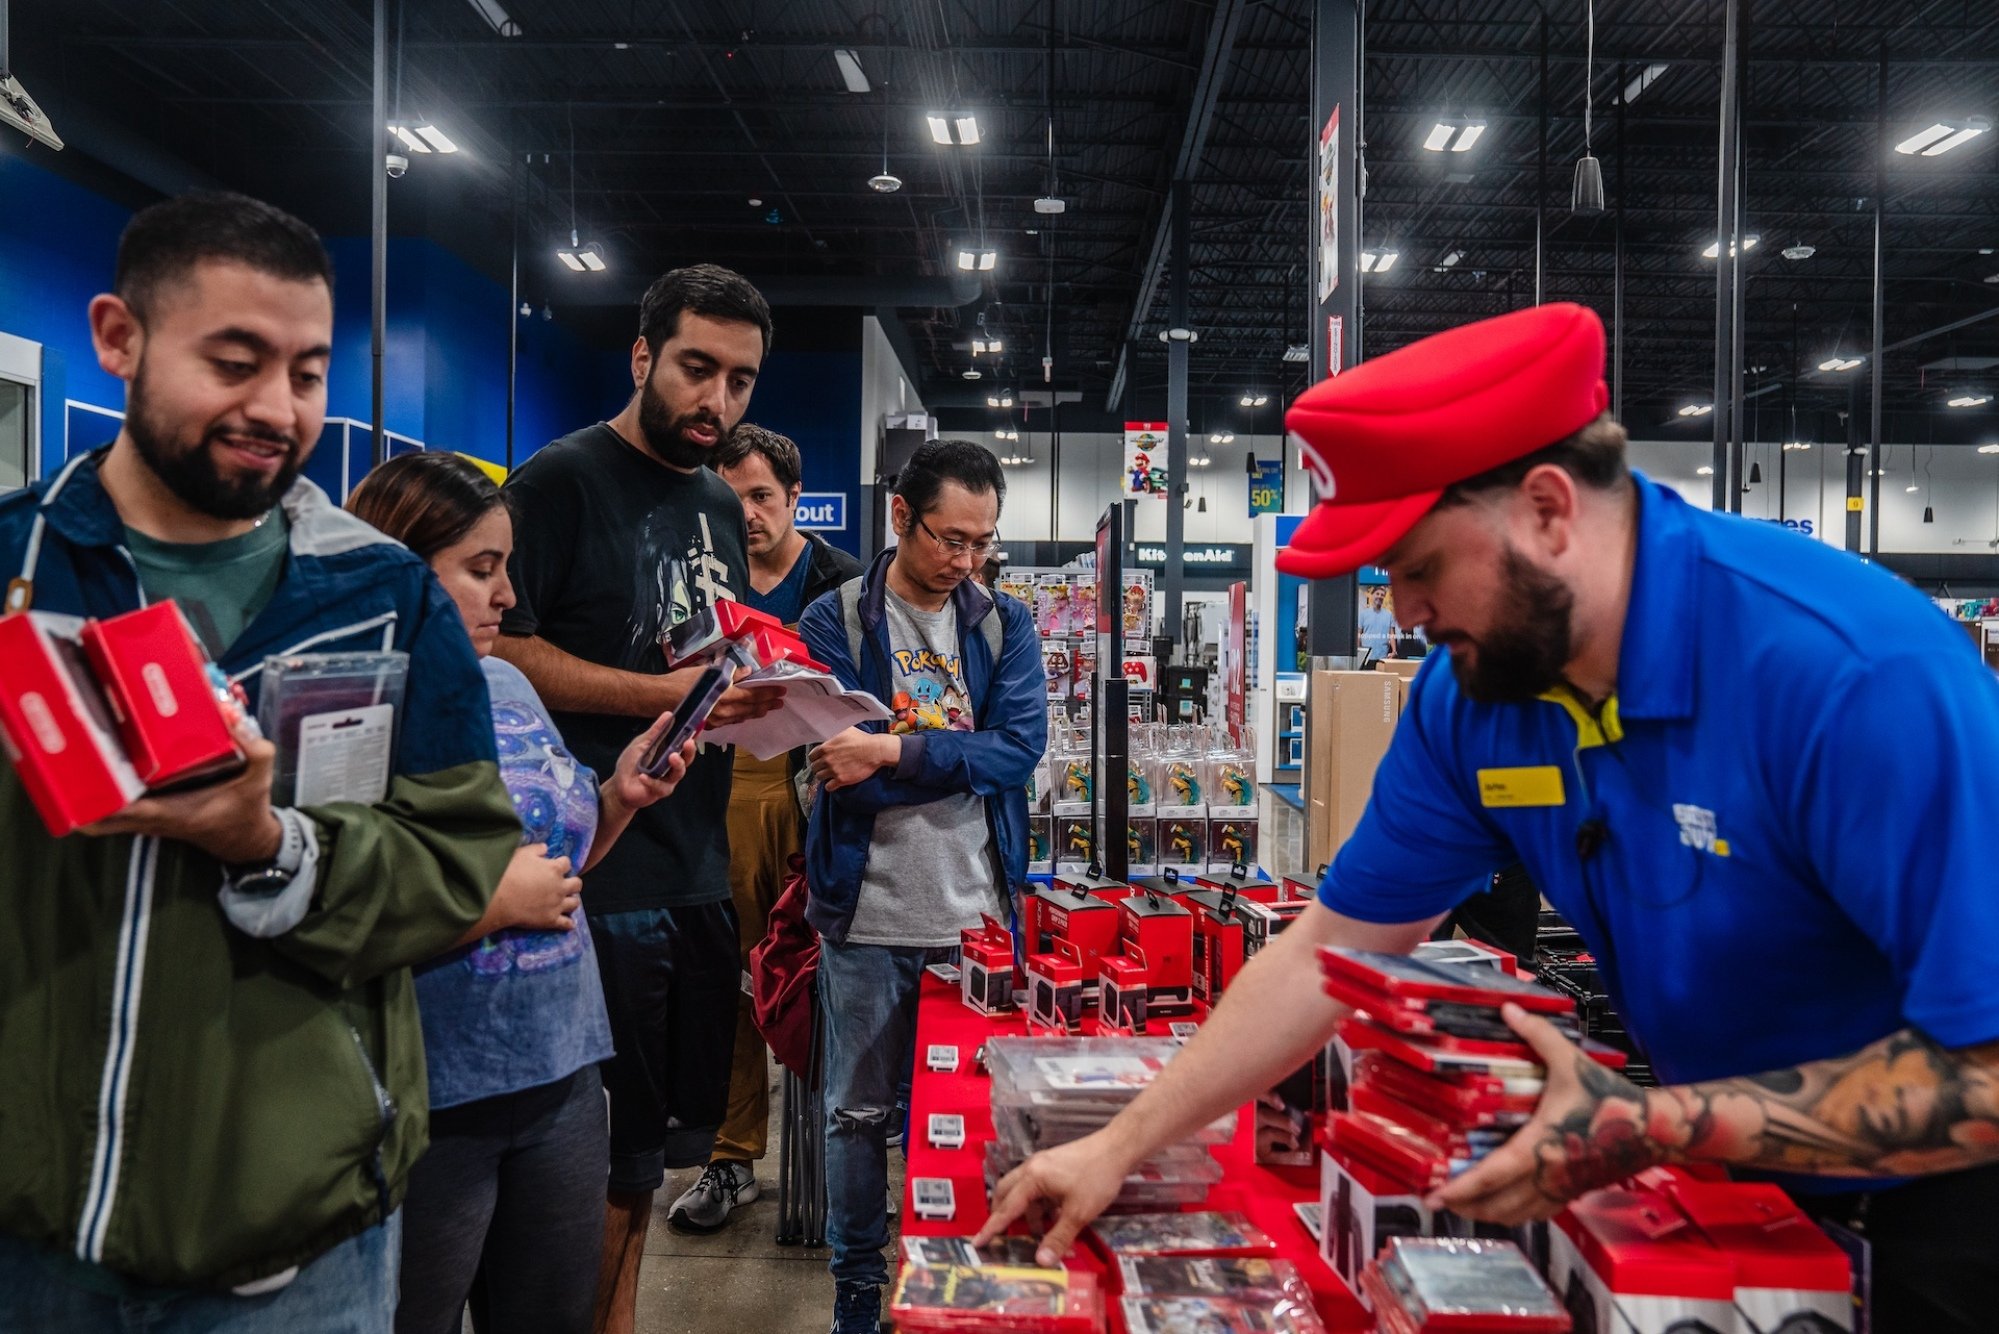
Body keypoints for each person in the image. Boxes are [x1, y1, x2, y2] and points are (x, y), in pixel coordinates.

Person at [980, 303, 1999, 1334]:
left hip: (1931, 1216)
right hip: (1707, 1197)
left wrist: (1654, 1120)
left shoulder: (1855, 677)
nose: (1402, 611)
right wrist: (1118, 1142)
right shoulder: (1471, 697)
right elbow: (1326, 949)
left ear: (1549, 508)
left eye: (1418, 566)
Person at [0, 191, 519, 1330]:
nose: (276, 409)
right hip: (28, 1224)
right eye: (235, 362)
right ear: (118, 337)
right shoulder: (17, 563)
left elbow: (462, 858)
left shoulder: (384, 594)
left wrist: (268, 840)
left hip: (295, 1236)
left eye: (308, 371)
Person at [345, 453, 698, 1334]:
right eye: (480, 569)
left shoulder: (505, 682)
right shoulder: (350, 710)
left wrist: (619, 795)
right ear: (399, 564)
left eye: (505, 567)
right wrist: (492, 905)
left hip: (563, 1071)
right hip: (433, 1091)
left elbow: (561, 869)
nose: (505, 596)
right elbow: (332, 904)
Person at [492, 263, 778, 1334]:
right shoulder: (558, 482)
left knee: (649, 1161)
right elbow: (509, 649)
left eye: (741, 380)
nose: (718, 400)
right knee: (591, 1169)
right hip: (592, 869)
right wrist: (669, 695)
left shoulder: (714, 498)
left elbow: (705, 653)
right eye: (698, 368)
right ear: (643, 354)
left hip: (693, 856)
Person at [798, 439, 1047, 1334]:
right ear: (900, 516)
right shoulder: (834, 621)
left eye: (983, 543)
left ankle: (963, 1282)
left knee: (974, 1113)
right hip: (865, 914)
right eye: (951, 538)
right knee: (856, 1118)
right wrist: (951, 760)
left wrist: (896, 749)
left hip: (976, 917)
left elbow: (1018, 749)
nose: (968, 560)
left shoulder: (1001, 624)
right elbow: (837, 767)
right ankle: (858, 1293)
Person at [668, 424, 860, 1233]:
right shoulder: (695, 580)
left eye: (760, 496)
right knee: (731, 977)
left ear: (793, 496)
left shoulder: (843, 584)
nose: (744, 513)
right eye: (730, 497)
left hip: (819, 790)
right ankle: (732, 1155)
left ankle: (847, 1156)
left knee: (822, 976)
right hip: (714, 788)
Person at [1356, 583, 1397, 660]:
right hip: (1366, 656)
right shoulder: (1363, 614)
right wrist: (1358, 650)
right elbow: (1359, 633)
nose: (1379, 596)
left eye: (1382, 595)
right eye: (1377, 594)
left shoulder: (1389, 615)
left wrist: (1394, 651)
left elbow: (1392, 634)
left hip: (1382, 656)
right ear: (1372, 595)